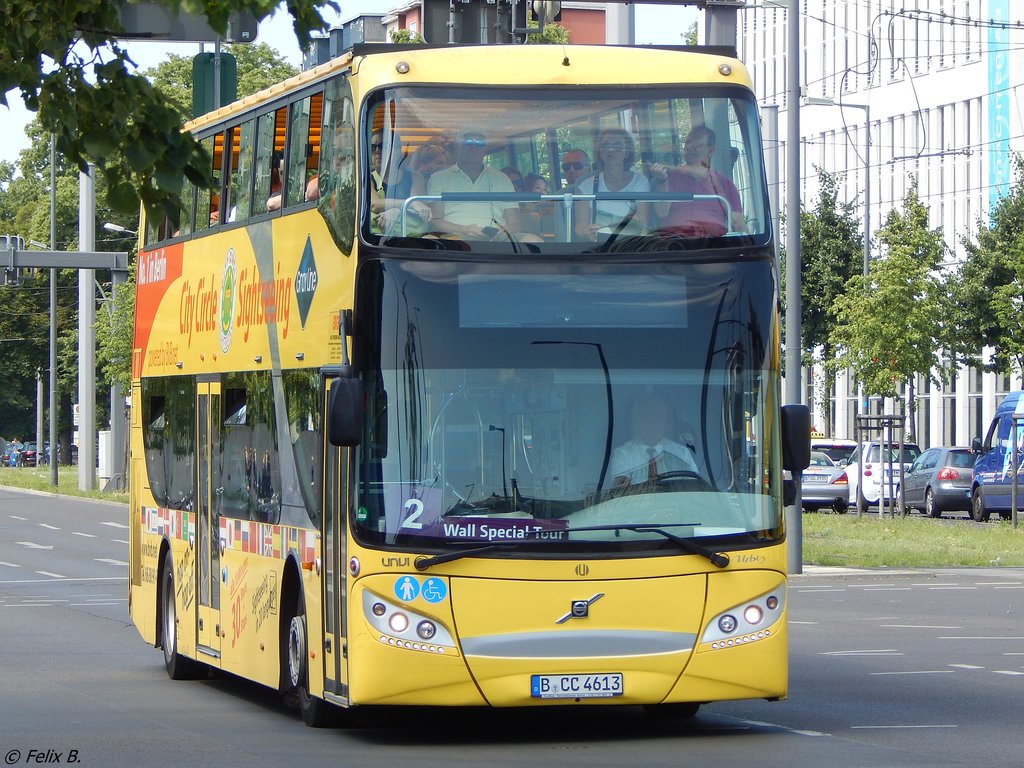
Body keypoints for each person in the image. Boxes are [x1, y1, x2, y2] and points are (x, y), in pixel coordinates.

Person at [648, 125, 746, 236]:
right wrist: (662, 181)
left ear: (710, 151)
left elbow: (738, 225)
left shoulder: (725, 184)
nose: (690, 148)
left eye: (697, 145)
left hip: (714, 246)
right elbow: (661, 213)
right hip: (674, 244)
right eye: (688, 143)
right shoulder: (667, 177)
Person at [426, 130, 523, 239]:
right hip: (455, 237)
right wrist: (464, 229)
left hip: (500, 238)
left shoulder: (503, 178)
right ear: (457, 147)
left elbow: (515, 224)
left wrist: (504, 231)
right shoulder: (439, 178)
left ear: (485, 149)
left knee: (533, 240)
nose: (473, 147)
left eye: (479, 143)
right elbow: (435, 220)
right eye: (468, 142)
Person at [574, 128, 650, 239]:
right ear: (599, 152)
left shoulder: (640, 181)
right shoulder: (585, 186)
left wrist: (607, 230)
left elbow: (642, 222)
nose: (610, 150)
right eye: (605, 145)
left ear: (627, 152)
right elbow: (579, 229)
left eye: (617, 146)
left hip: (630, 245)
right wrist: (587, 233)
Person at [608, 397, 699, 487]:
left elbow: (694, 487)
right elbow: (621, 490)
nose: (650, 423)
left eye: (656, 417)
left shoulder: (681, 453)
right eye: (644, 418)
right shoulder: (623, 454)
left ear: (665, 423)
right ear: (635, 423)